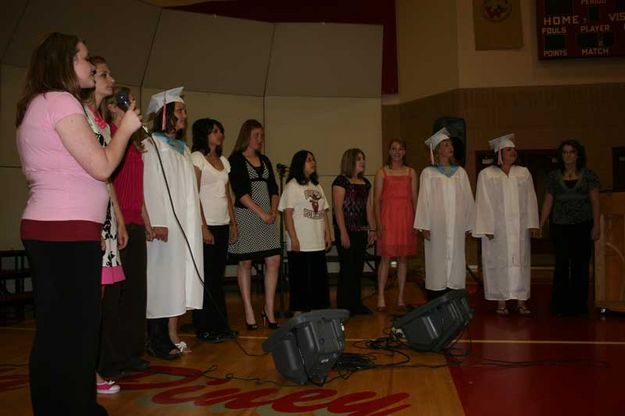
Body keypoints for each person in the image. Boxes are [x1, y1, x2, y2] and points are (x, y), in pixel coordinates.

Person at [16, 32, 141, 415]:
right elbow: (102, 165)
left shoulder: (38, 103)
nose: (90, 66)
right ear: (65, 64)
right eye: (84, 58)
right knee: (77, 332)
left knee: (59, 332)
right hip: (65, 232)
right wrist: (126, 129)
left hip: (56, 230)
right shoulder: (60, 101)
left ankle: (61, 406)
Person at [143, 87, 204, 358]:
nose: (185, 115)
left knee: (176, 279)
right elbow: (149, 185)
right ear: (165, 114)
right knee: (160, 280)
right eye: (180, 111)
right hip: (163, 225)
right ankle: (156, 338)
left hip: (183, 226)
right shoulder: (150, 144)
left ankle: (171, 333)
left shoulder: (182, 149)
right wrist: (158, 220)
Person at [80, 56, 127, 394]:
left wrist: (120, 220)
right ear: (91, 77)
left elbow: (107, 176)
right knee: (87, 300)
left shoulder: (103, 124)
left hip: (107, 219)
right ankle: (86, 371)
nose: (111, 79)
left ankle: (93, 367)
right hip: (89, 216)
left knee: (100, 298)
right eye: (105, 73)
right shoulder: (78, 117)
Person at [101, 85, 151, 374]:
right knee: (116, 296)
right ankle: (113, 357)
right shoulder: (109, 135)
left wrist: (145, 219)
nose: (133, 104)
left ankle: (133, 352)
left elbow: (137, 188)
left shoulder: (134, 140)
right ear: (112, 106)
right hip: (117, 225)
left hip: (135, 221)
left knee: (135, 293)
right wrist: (119, 221)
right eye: (128, 101)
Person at [473, 134, 540, 315]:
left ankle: (520, 302)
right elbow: (483, 201)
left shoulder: (523, 173)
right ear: (499, 153)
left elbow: (531, 199)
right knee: (498, 262)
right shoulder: (486, 175)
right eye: (509, 149)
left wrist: (533, 223)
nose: (513, 152)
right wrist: (486, 226)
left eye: (514, 149)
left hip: (519, 227)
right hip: (497, 229)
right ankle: (501, 303)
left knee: (520, 262)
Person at [228, 119, 281, 329]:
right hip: (247, 216)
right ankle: (249, 309)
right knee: (246, 263)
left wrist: (273, 210)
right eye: (257, 135)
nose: (260, 139)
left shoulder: (265, 160)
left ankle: (268, 309)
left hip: (267, 216)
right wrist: (261, 213)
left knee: (274, 260)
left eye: (262, 135)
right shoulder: (236, 160)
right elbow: (240, 193)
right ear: (247, 136)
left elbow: (274, 188)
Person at [190, 118, 238, 342]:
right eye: (215, 131)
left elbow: (227, 194)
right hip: (206, 225)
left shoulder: (223, 161)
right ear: (204, 134)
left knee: (217, 277)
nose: (220, 134)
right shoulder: (197, 159)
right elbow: (194, 193)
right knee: (206, 277)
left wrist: (233, 223)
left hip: (222, 224)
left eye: (221, 131)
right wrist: (203, 226)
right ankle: (204, 327)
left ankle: (221, 325)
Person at [539, 139, 600, 316]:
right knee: (562, 264)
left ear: (578, 154)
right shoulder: (553, 176)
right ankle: (560, 306)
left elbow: (595, 202)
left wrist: (596, 226)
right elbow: (548, 201)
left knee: (580, 266)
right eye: (564, 152)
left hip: (583, 226)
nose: (568, 155)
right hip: (560, 227)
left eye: (571, 152)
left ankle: (579, 306)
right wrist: (541, 224)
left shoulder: (589, 176)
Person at [414, 128, 474, 301]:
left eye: (450, 145)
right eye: (445, 145)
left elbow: (468, 200)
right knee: (436, 259)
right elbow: (423, 200)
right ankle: (436, 296)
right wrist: (423, 225)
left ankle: (454, 295)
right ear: (437, 150)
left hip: (456, 224)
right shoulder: (428, 174)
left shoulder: (460, 173)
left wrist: (469, 224)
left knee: (456, 257)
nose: (450, 148)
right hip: (436, 225)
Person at [279, 150, 332, 313]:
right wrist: (293, 239)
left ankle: (318, 312)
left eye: (314, 159)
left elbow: (323, 212)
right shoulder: (292, 186)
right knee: (300, 282)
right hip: (301, 243)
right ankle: (298, 313)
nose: (313, 162)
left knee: (318, 281)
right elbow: (287, 215)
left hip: (317, 242)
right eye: (309, 160)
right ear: (300, 164)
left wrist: (328, 234)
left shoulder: (317, 186)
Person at [374, 140, 418, 312]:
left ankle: (400, 297)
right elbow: (376, 201)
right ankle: (381, 296)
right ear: (389, 151)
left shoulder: (411, 172)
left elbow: (415, 198)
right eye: (393, 149)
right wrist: (378, 223)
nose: (397, 152)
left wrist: (417, 221)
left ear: (405, 152)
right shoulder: (382, 172)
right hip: (388, 218)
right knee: (385, 259)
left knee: (403, 259)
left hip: (406, 218)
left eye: (400, 149)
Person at [332, 148, 376, 315]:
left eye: (363, 158)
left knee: (357, 268)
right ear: (350, 161)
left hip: (361, 230)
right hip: (346, 230)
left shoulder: (365, 183)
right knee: (347, 268)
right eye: (359, 159)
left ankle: (356, 303)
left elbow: (368, 208)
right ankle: (344, 305)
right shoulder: (340, 181)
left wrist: (373, 229)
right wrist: (343, 232)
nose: (362, 162)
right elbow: (338, 209)